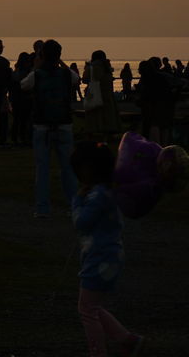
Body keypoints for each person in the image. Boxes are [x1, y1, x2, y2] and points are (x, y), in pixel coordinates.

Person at [70, 141, 145, 357]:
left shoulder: (97, 196)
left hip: (100, 258)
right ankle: (128, 340)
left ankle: (98, 352)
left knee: (86, 310)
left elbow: (81, 223)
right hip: (109, 257)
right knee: (93, 307)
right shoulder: (109, 192)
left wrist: (77, 200)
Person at [21, 39, 79, 218]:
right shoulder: (66, 75)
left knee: (42, 168)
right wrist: (62, 64)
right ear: (59, 55)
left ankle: (42, 208)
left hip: (42, 126)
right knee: (68, 168)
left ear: (42, 55)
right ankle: (74, 205)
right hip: (64, 124)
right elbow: (76, 79)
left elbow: (24, 85)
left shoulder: (37, 75)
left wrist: (36, 66)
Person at [81, 50, 121, 142]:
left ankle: (93, 137)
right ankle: (107, 137)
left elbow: (85, 79)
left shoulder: (92, 67)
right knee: (107, 119)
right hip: (107, 97)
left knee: (94, 118)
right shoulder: (107, 67)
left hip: (94, 95)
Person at [136, 58, 175, 145]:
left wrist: (140, 101)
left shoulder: (147, 79)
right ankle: (163, 146)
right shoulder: (162, 76)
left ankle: (155, 146)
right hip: (165, 105)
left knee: (154, 126)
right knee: (163, 127)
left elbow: (147, 94)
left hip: (154, 106)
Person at [9, 52, 35, 146]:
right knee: (24, 120)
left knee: (18, 120)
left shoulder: (16, 72)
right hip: (24, 99)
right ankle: (22, 138)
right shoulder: (26, 73)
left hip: (16, 99)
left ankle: (16, 138)